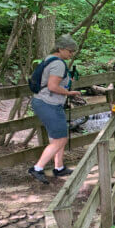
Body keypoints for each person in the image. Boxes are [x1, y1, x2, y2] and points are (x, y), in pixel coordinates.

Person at [28, 34, 81, 184]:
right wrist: (69, 93)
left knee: (57, 136)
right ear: (61, 49)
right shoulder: (58, 64)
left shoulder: (49, 59)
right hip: (48, 104)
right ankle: (37, 168)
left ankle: (59, 168)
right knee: (60, 139)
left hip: (44, 102)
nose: (71, 55)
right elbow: (52, 86)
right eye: (70, 51)